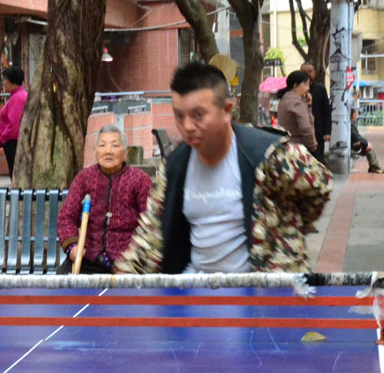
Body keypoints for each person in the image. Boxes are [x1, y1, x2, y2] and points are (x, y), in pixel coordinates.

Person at [116, 62, 330, 275]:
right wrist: (122, 280)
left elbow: (319, 188)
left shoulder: (269, 155)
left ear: (227, 110)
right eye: (180, 116)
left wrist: (286, 230)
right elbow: (152, 231)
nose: (188, 126)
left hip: (260, 294)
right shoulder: (175, 164)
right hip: (194, 291)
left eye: (198, 115)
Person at [56, 124, 152, 273]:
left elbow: (149, 224)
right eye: (102, 146)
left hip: (126, 262)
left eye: (115, 146)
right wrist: (73, 247)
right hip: (88, 258)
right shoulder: (84, 178)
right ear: (94, 151)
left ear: (125, 152)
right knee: (62, 287)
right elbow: (66, 217)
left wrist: (135, 257)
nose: (108, 151)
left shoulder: (140, 180)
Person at [0, 65, 27, 178]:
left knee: (15, 173)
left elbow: (14, 124)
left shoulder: (17, 98)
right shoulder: (18, 96)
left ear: (11, 81)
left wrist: (4, 138)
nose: (4, 83)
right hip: (14, 142)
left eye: (5, 79)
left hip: (13, 142)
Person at [276, 70, 317, 151]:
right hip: (299, 148)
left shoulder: (284, 99)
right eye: (305, 85)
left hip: (287, 145)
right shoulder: (297, 103)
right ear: (295, 85)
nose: (308, 88)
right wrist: (312, 145)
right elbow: (305, 128)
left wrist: (307, 105)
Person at [301, 63, 332, 162]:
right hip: (302, 133)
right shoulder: (296, 90)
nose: (307, 74)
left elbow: (326, 111)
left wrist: (327, 131)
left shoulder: (320, 89)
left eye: (309, 71)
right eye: (304, 72)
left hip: (318, 131)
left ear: (314, 73)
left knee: (318, 161)